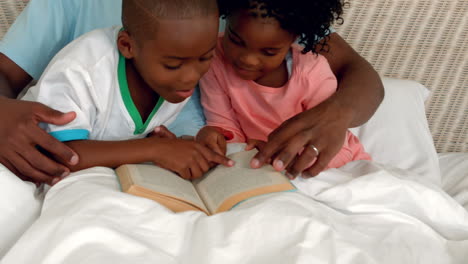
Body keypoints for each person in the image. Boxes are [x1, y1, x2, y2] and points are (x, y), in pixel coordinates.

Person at [0, 0, 384, 184]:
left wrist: (335, 115)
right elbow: (5, 73)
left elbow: (359, 72)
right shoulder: (75, 11)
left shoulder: (247, 10)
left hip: (215, 174)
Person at [18, 0, 235, 183]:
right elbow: (62, 154)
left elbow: (122, 133)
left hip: (99, 180)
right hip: (25, 172)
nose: (192, 76)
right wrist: (156, 149)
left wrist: (185, 144)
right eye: (173, 65)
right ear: (127, 46)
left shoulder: (171, 76)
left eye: (205, 58)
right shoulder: (80, 71)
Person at [196, 0, 371, 179]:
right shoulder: (214, 58)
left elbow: (337, 149)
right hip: (264, 168)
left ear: (293, 38)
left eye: (269, 52)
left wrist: (285, 158)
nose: (248, 59)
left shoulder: (312, 73)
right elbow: (225, 125)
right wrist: (216, 136)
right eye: (235, 40)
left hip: (337, 168)